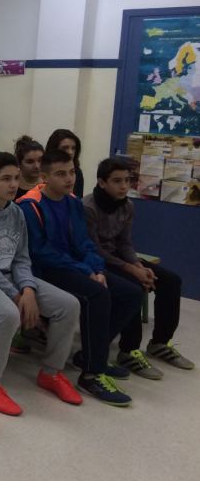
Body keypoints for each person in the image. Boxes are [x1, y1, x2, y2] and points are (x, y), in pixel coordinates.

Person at [0, 152, 82, 416]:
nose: (13, 184)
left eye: (16, 178)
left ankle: (51, 372)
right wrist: (16, 296)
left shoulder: (15, 212)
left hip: (10, 276)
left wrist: (28, 289)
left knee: (69, 305)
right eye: (5, 179)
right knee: (7, 314)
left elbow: (22, 258)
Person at [18, 150, 143, 406]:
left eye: (72, 172)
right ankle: (91, 374)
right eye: (60, 174)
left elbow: (84, 243)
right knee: (97, 295)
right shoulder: (30, 206)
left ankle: (91, 353)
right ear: (44, 177)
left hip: (76, 266)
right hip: (46, 270)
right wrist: (84, 270)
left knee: (131, 293)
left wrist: (97, 269)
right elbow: (41, 253)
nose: (69, 179)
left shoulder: (73, 202)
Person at [83, 157, 194, 374]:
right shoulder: (88, 207)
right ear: (102, 182)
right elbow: (95, 250)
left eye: (127, 180)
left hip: (120, 258)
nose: (124, 186)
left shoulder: (128, 206)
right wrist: (132, 269)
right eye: (117, 181)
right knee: (132, 287)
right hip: (97, 261)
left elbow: (124, 243)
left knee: (171, 281)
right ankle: (128, 350)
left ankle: (160, 342)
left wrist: (137, 264)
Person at [46, 128, 84, 197]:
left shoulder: (77, 172)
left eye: (73, 148)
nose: (70, 152)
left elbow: (77, 198)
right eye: (65, 148)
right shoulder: (43, 169)